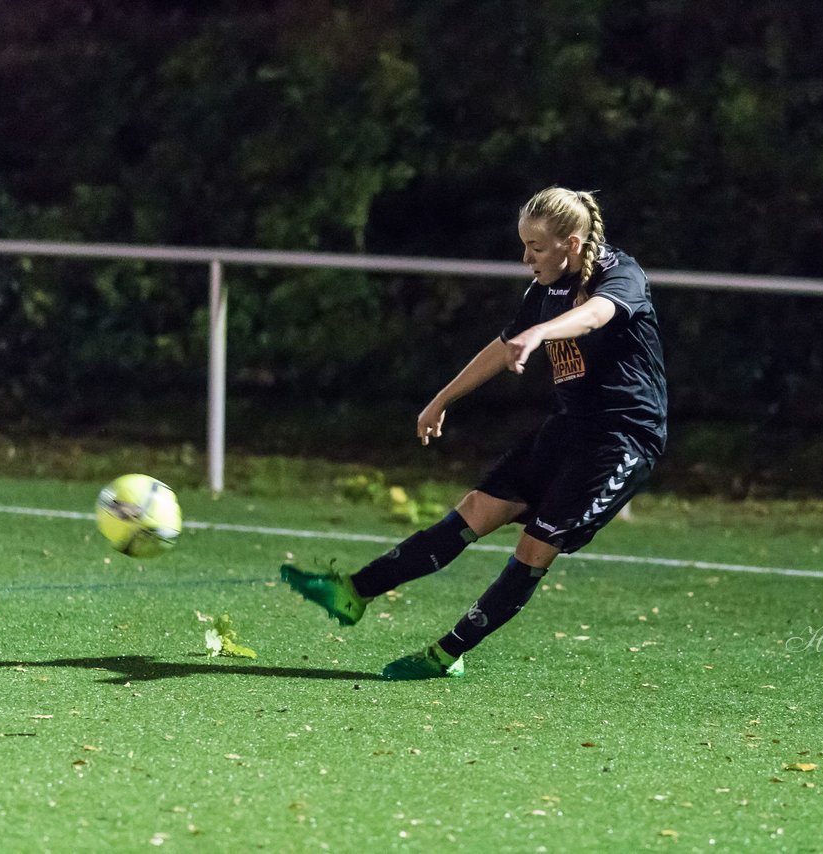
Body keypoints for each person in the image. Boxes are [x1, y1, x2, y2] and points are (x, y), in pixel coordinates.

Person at [281, 187, 668, 679]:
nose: (526, 257)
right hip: (569, 429)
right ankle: (355, 592)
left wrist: (543, 333)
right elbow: (502, 346)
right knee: (475, 510)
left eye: (537, 247)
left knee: (533, 548)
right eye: (524, 245)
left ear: (572, 242)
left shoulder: (621, 274)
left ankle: (447, 654)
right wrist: (442, 399)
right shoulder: (544, 289)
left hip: (622, 441)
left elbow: (598, 314)